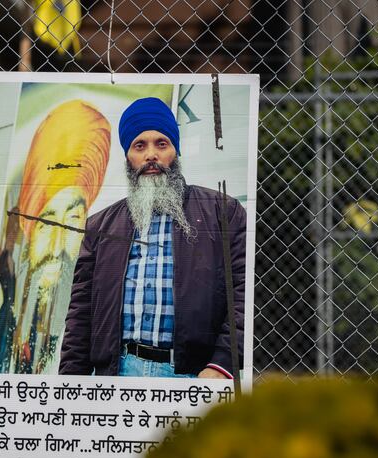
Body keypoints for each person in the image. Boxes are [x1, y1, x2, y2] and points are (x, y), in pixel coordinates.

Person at [59, 97, 245, 378]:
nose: (151, 156)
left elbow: (243, 293)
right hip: (118, 374)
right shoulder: (100, 227)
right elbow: (81, 313)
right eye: (139, 146)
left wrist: (221, 365)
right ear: (128, 158)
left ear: (175, 151)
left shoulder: (222, 212)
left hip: (194, 375)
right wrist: (71, 382)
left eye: (161, 143)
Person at [0, 100, 110, 374]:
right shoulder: (2, 314)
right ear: (29, 225)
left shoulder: (100, 309)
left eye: (74, 220)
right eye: (47, 222)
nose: (57, 246)